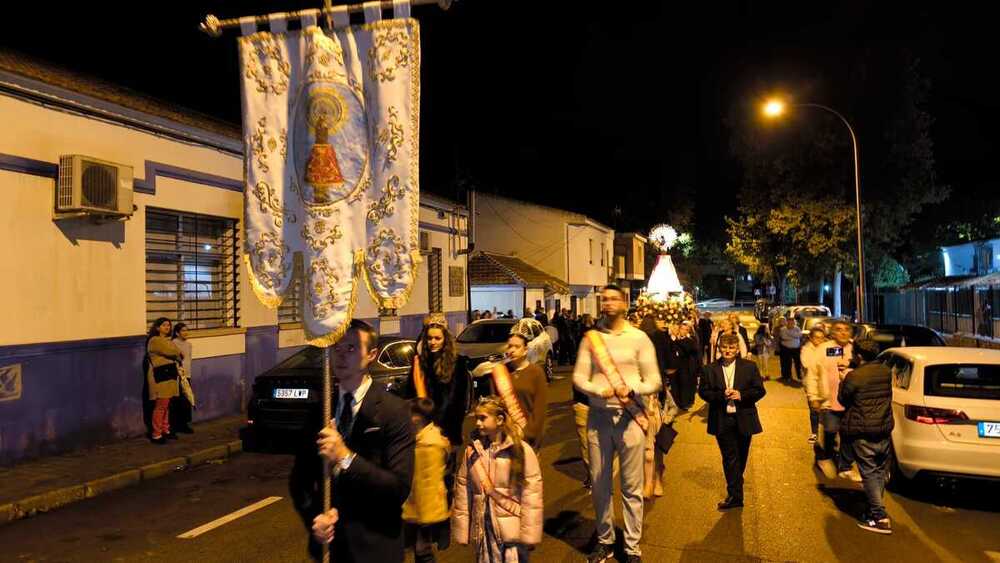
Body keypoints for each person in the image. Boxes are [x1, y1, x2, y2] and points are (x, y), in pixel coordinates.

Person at [291, 320, 416, 563]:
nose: (341, 355)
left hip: (375, 548)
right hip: (332, 549)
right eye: (336, 348)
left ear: (371, 354)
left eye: (351, 348)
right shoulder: (321, 411)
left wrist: (346, 458)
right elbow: (299, 481)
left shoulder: (395, 411)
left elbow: (397, 488)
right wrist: (314, 519)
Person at [573, 285, 661, 563]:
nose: (608, 303)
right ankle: (605, 541)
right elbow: (578, 377)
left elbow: (654, 380)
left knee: (631, 486)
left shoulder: (639, 338)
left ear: (625, 303)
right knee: (599, 485)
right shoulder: (591, 339)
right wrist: (596, 391)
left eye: (613, 299)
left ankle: (633, 548)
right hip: (598, 419)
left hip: (630, 418)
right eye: (604, 299)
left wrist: (632, 390)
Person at [452, 396, 543, 562]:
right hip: (484, 532)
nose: (478, 423)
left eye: (483, 418)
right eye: (476, 418)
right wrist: (462, 530)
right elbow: (463, 490)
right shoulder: (472, 452)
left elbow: (532, 495)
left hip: (511, 535)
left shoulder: (521, 451)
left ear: (500, 419)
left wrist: (530, 535)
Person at [698, 334, 766, 510]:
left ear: (737, 349)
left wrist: (741, 395)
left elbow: (760, 390)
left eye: (732, 348)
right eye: (725, 348)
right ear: (720, 348)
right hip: (722, 419)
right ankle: (735, 496)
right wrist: (721, 396)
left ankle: (736, 483)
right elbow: (703, 392)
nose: (728, 351)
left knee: (741, 457)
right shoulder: (709, 369)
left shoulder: (749, 367)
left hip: (744, 417)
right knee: (730, 458)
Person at [838, 354, 895, 534]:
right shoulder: (885, 371)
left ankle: (879, 517)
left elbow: (843, 399)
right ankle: (873, 510)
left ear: (859, 355)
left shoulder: (855, 376)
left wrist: (842, 379)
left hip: (863, 429)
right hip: (883, 428)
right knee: (878, 470)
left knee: (869, 472)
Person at [806, 320, 859, 481]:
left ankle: (845, 466)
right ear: (833, 332)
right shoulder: (825, 349)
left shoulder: (855, 349)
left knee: (848, 434)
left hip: (850, 402)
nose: (843, 333)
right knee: (830, 430)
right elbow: (813, 373)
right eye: (838, 329)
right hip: (829, 400)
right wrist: (813, 396)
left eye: (846, 330)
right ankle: (825, 456)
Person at [403, 398, 452, 562]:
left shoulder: (427, 445)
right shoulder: (427, 438)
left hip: (424, 509)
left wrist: (424, 517)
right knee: (420, 550)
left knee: (422, 550)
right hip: (423, 507)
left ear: (418, 418)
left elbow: (426, 484)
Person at [410, 321, 471, 447]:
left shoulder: (457, 363)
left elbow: (459, 401)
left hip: (448, 428)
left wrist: (444, 431)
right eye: (429, 338)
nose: (433, 342)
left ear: (445, 340)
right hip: (424, 427)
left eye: (437, 338)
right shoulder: (420, 363)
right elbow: (411, 394)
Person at [502, 332, 548, 448]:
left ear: (525, 350)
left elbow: (540, 408)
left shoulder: (536, 372)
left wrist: (528, 433)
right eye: (509, 346)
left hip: (530, 435)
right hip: (506, 437)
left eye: (517, 346)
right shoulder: (501, 373)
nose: (512, 350)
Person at [146, 318, 182, 444]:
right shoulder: (155, 340)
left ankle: (165, 430)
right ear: (157, 328)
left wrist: (176, 352)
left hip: (169, 374)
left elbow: (177, 353)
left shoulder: (167, 340)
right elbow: (173, 351)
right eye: (164, 325)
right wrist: (176, 352)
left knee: (167, 405)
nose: (167, 327)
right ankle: (156, 434)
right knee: (161, 405)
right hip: (161, 376)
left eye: (169, 325)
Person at [799, 327, 828, 444]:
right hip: (812, 385)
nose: (819, 340)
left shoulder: (828, 348)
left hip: (828, 385)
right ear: (810, 338)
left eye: (822, 338)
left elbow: (839, 358)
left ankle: (826, 434)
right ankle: (815, 433)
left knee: (827, 411)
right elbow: (807, 364)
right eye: (816, 337)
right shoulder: (806, 349)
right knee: (814, 411)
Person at [170, 322, 195, 434]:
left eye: (186, 330)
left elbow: (189, 360)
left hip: (187, 375)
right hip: (178, 375)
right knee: (178, 400)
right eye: (183, 331)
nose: (186, 332)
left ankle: (185, 424)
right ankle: (176, 425)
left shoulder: (189, 344)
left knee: (187, 400)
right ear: (177, 333)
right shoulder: (174, 343)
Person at [778, 317, 803, 382]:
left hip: (796, 348)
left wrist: (789, 334)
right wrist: (793, 336)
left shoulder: (797, 328)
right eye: (789, 322)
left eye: (792, 323)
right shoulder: (783, 329)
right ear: (787, 322)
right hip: (786, 349)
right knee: (787, 363)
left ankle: (799, 376)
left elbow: (799, 335)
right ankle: (787, 376)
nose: (791, 324)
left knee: (798, 363)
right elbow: (783, 337)